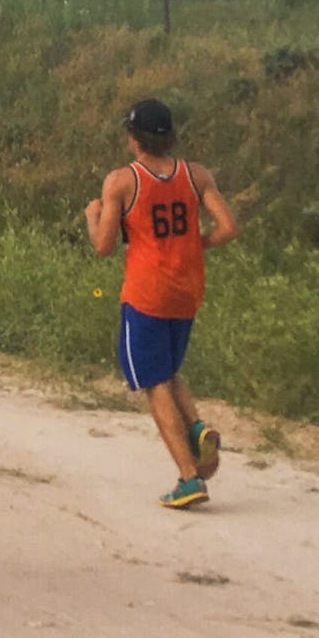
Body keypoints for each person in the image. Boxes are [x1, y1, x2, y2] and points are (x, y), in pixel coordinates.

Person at [84, 98, 240, 510]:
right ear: (169, 136)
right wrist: (193, 245)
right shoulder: (197, 175)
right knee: (167, 370)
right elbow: (228, 228)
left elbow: (103, 246)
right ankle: (198, 428)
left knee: (153, 384)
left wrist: (93, 214)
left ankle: (189, 478)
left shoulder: (121, 182)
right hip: (188, 289)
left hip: (147, 292)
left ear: (134, 140)